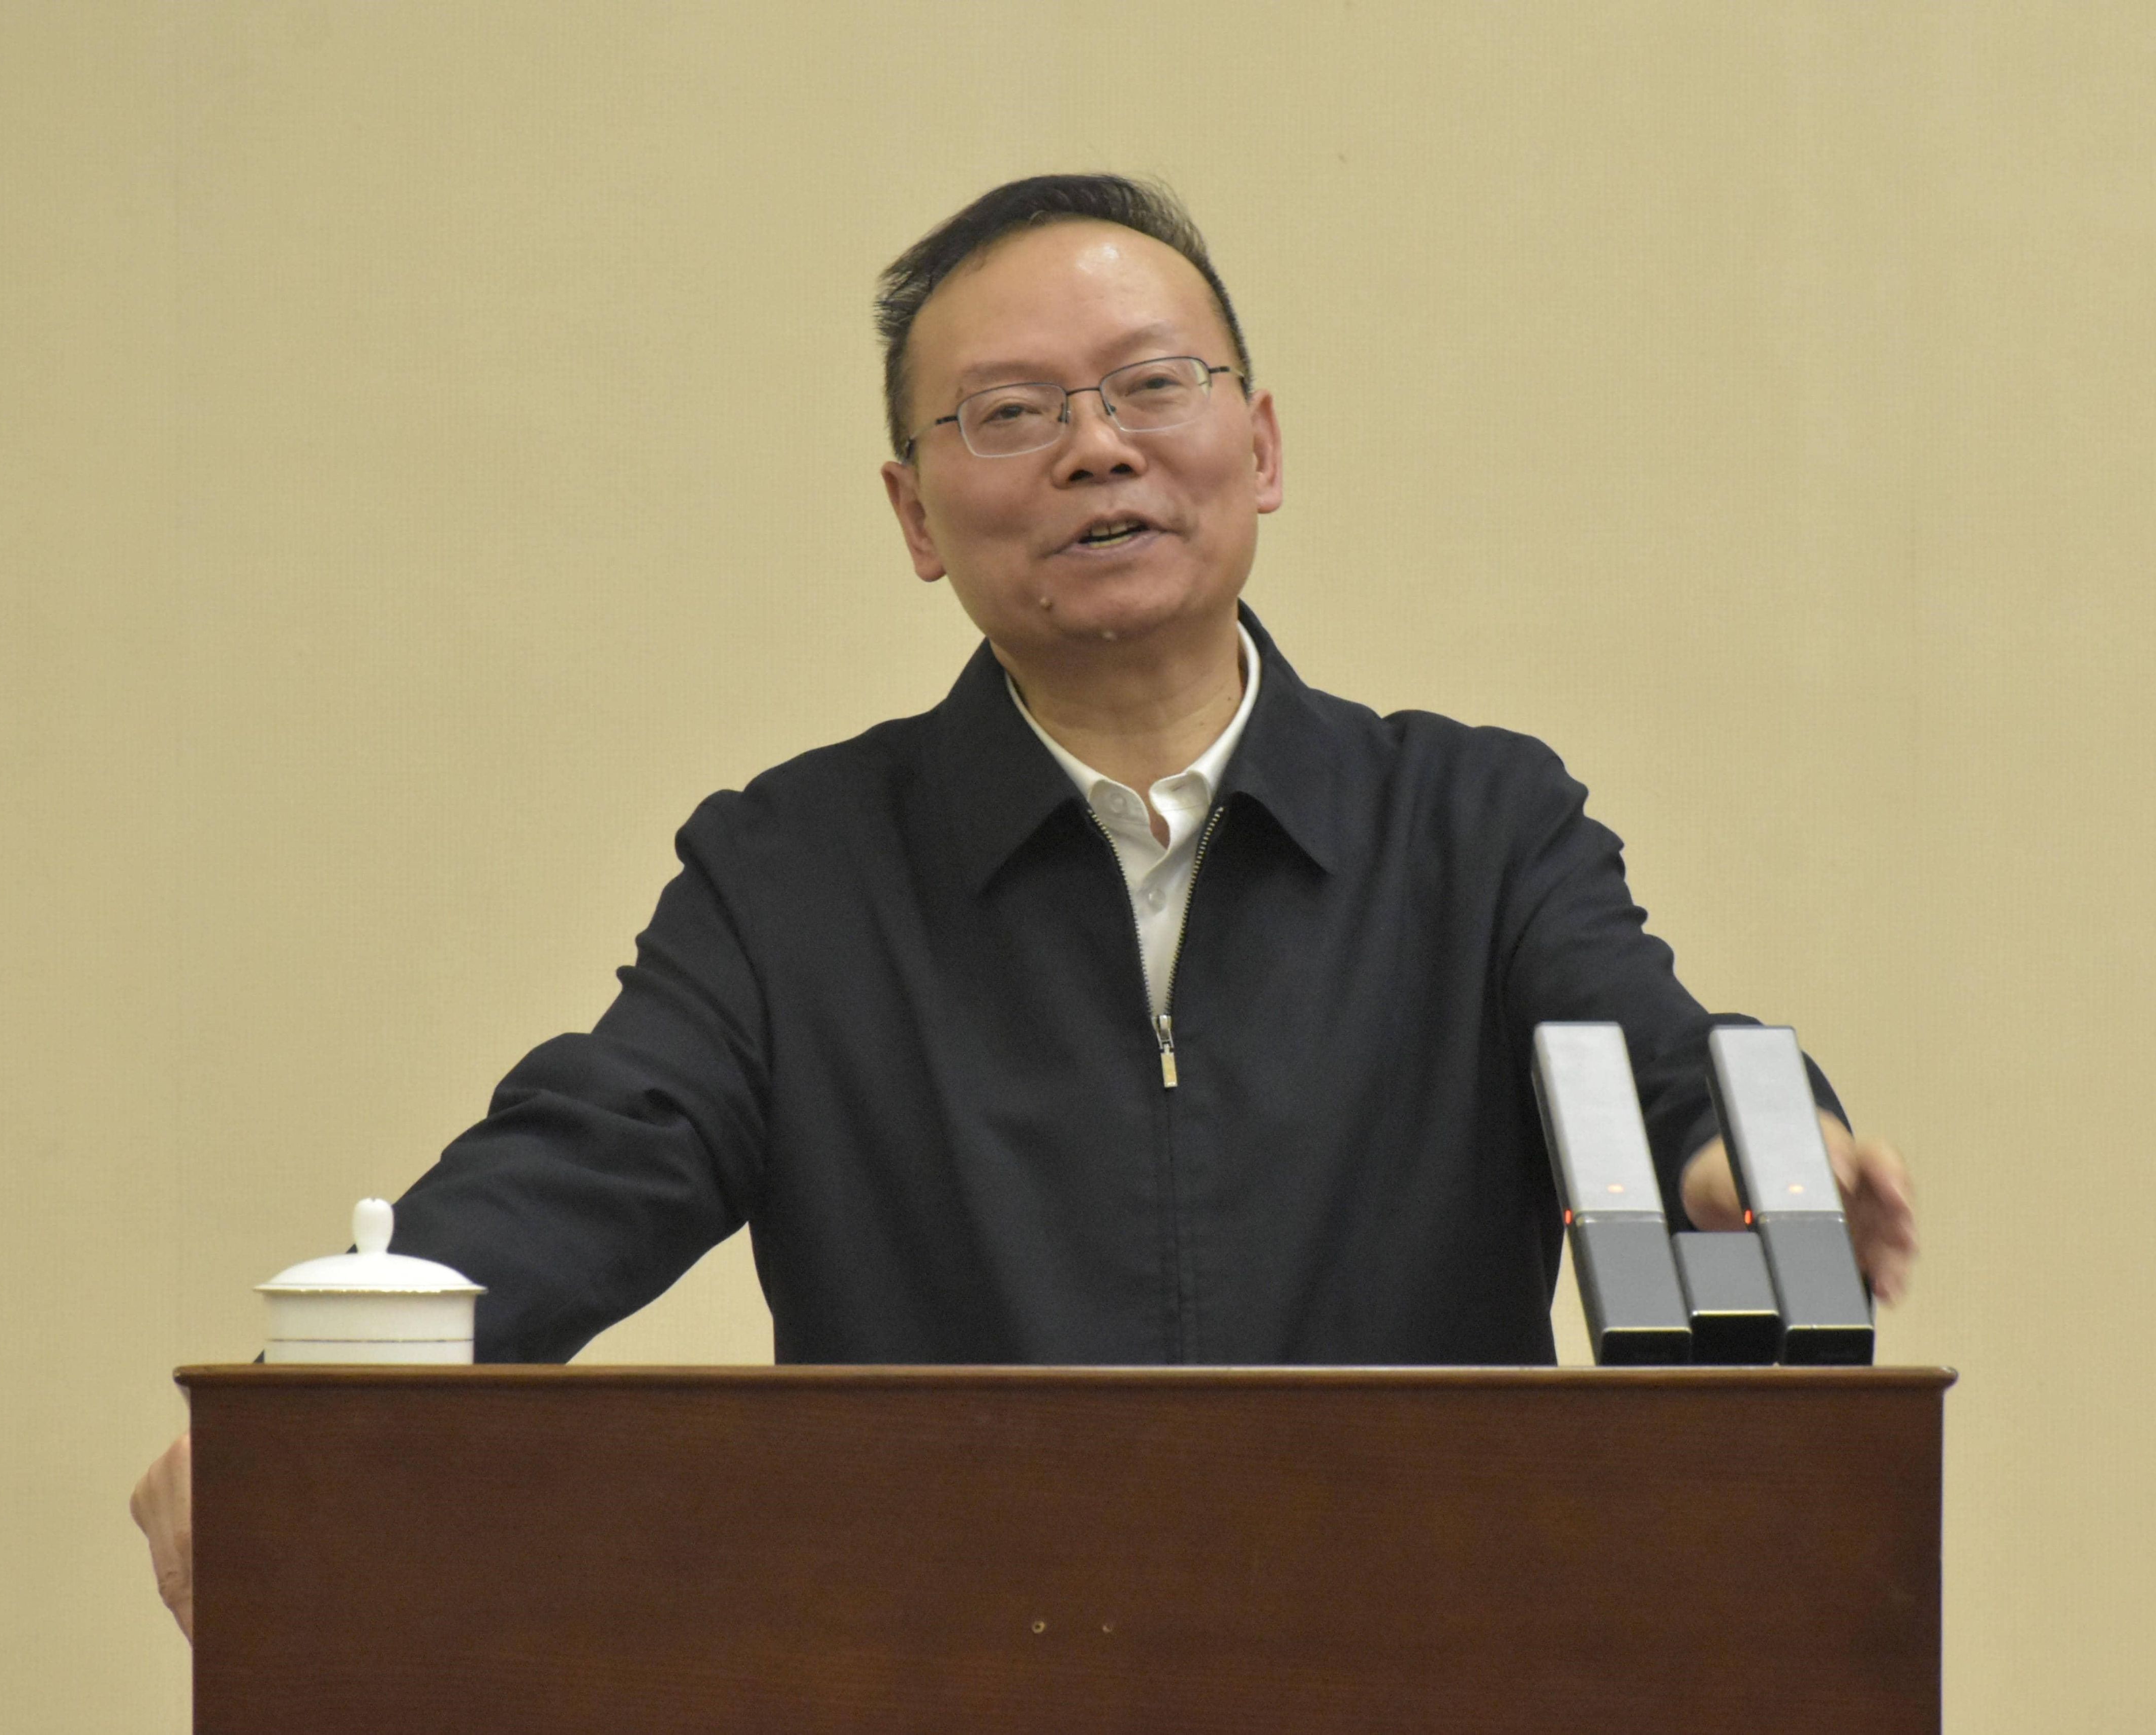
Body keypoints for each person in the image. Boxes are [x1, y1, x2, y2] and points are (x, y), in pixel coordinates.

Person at [131, 174, 1917, 1637]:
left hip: (1418, 1648)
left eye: (1153, 387)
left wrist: (1758, 1153)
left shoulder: (1474, 823)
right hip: (941, 1660)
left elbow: (1651, 1059)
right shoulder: (796, 873)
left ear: (1260, 445)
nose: (1095, 449)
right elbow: (586, 1158)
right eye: (1010, 415)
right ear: (916, 515)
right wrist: (313, 1402)